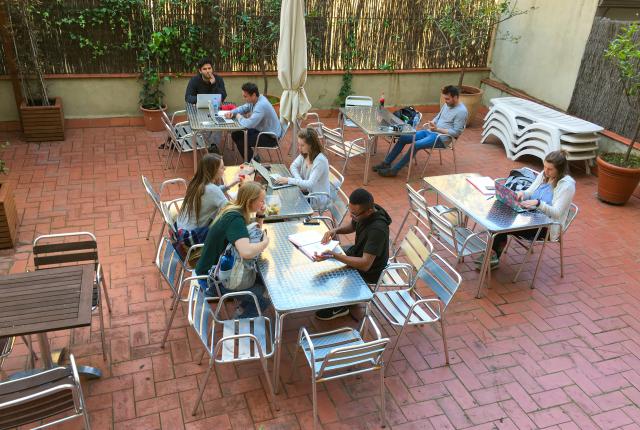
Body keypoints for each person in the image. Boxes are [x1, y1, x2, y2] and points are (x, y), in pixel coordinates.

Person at [479, 150, 576, 269]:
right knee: (498, 213)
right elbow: (530, 192)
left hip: (547, 227)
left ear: (560, 170)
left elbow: (556, 213)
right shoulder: (544, 175)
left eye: (550, 169)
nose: (545, 171)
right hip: (531, 216)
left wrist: (538, 203)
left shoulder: (567, 186)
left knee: (502, 225)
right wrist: (521, 194)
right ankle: (491, 255)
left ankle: (491, 256)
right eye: (544, 167)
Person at [313, 189, 391, 320]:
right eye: (350, 211)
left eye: (354, 214)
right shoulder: (366, 212)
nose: (351, 216)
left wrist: (334, 256)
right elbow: (353, 226)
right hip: (356, 253)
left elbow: (365, 264)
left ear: (369, 211)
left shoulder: (377, 229)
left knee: (329, 269)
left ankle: (345, 304)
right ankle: (348, 297)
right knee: (324, 265)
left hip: (370, 271)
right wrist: (335, 230)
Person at [194, 182, 270, 318]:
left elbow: (253, 234)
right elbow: (246, 252)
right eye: (261, 201)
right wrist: (265, 243)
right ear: (250, 201)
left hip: (214, 268)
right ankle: (238, 323)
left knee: (264, 281)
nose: (263, 203)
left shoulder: (233, 209)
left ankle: (242, 308)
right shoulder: (236, 220)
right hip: (212, 280)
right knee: (266, 297)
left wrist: (260, 216)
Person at [375, 85, 468, 177]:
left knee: (416, 145)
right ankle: (386, 163)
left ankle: (394, 170)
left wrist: (437, 129)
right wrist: (433, 122)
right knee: (403, 137)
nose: (445, 101)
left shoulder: (461, 112)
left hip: (441, 139)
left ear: (455, 97)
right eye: (445, 99)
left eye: (448, 99)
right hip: (431, 132)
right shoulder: (447, 105)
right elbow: (438, 117)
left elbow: (456, 132)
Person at [175, 154, 240, 244]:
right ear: (213, 171)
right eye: (222, 167)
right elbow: (230, 210)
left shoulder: (197, 181)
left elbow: (211, 193)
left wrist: (229, 185)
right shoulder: (212, 190)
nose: (224, 169)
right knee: (230, 230)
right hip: (189, 236)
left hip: (180, 226)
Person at [274, 127, 331, 211]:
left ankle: (294, 220)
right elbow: (293, 166)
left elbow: (309, 184)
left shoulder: (320, 161)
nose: (299, 148)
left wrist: (289, 180)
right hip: (308, 192)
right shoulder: (305, 153)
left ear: (311, 145)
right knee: (284, 197)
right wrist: (299, 180)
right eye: (298, 144)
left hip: (316, 198)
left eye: (302, 145)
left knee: (287, 204)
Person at [225, 82, 282, 161]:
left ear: (254, 95)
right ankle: (253, 159)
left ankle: (253, 164)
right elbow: (243, 108)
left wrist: (239, 117)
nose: (244, 98)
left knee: (242, 141)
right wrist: (232, 112)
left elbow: (249, 124)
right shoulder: (257, 98)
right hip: (262, 130)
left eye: (245, 96)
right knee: (236, 134)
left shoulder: (261, 105)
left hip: (270, 137)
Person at [184, 58, 227, 153]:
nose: (208, 71)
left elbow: (223, 96)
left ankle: (213, 146)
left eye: (209, 68)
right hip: (199, 109)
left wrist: (214, 84)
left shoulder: (218, 79)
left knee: (218, 124)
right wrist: (200, 99)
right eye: (205, 69)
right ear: (200, 71)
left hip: (215, 109)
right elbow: (188, 97)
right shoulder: (194, 80)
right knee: (205, 128)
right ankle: (208, 145)